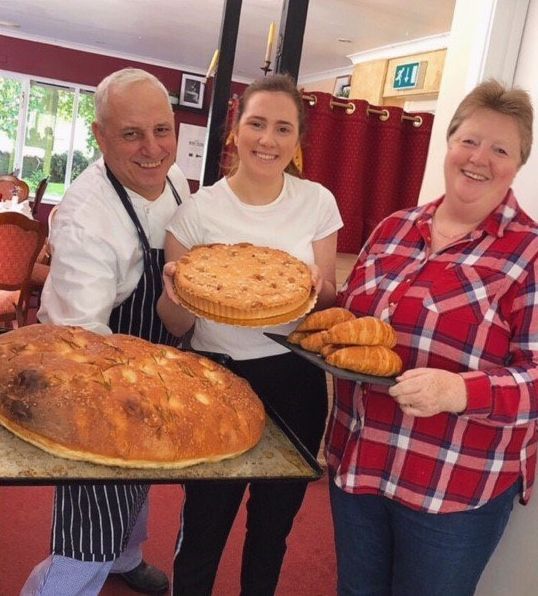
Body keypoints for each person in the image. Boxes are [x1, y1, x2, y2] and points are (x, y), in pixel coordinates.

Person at [325, 78, 538, 596]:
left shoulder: (529, 254)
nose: (479, 158)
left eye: (500, 148)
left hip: (452, 487)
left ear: (518, 164)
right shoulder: (392, 229)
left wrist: (459, 391)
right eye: (469, 140)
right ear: (449, 142)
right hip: (359, 462)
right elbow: (356, 328)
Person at [157, 73, 343, 595]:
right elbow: (179, 325)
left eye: (283, 128)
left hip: (295, 376)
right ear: (235, 131)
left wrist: (319, 287)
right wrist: (174, 292)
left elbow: (322, 303)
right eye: (257, 123)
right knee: (204, 524)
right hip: (217, 377)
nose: (268, 139)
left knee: (273, 525)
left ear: (298, 140)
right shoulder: (196, 212)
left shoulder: (318, 204)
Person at [21, 67, 191, 596]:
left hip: (155, 365)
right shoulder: (86, 216)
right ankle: (67, 580)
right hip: (99, 379)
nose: (152, 149)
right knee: (91, 513)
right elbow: (77, 343)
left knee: (138, 484)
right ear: (99, 136)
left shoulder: (177, 179)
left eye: (161, 130)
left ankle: (126, 557)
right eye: (131, 134)